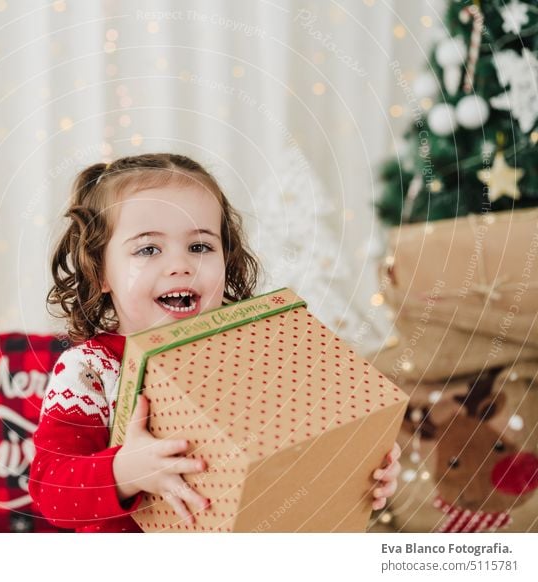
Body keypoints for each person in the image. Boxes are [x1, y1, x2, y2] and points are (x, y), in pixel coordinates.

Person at [28, 153, 401, 532]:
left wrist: (362, 464)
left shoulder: (249, 349)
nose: (180, 265)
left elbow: (297, 440)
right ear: (100, 271)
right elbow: (49, 489)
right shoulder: (91, 370)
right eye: (148, 249)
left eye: (200, 247)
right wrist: (124, 471)